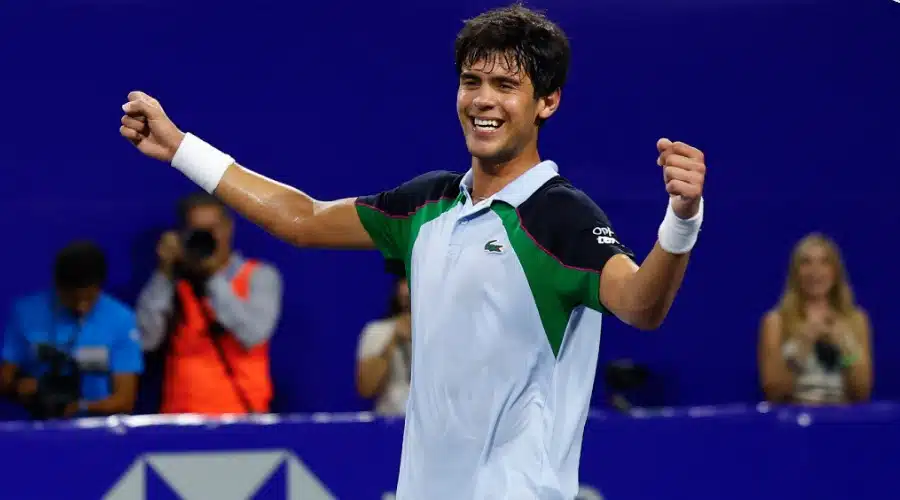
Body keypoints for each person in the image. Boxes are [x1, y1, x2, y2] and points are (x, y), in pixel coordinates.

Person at [118, 5, 706, 498]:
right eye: (472, 82)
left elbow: (641, 306)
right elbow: (301, 219)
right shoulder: (426, 205)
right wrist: (180, 149)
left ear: (547, 102)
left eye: (506, 86)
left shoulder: (562, 217)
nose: (483, 101)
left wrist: (681, 222)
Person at [135, 193, 282, 415]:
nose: (209, 238)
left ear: (229, 228)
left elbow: (253, 334)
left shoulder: (259, 276)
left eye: (214, 229)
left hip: (241, 416)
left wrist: (213, 275)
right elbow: (145, 339)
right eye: (199, 231)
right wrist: (164, 272)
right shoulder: (173, 281)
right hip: (181, 417)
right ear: (184, 234)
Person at [0, 241, 142, 419]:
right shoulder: (25, 312)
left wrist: (81, 406)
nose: (81, 307)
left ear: (100, 287)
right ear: (58, 287)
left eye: (89, 299)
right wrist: (19, 387)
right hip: (39, 428)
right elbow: (4, 380)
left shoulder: (121, 319)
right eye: (73, 299)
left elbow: (125, 400)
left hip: (98, 430)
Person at [758, 233, 872, 405]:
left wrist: (846, 348)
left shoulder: (856, 320)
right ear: (795, 273)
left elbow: (863, 391)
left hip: (842, 420)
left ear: (835, 271)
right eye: (806, 263)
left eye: (824, 262)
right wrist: (802, 346)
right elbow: (773, 392)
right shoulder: (776, 322)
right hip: (794, 419)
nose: (815, 271)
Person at [356, 276, 412, 416]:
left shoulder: (441, 333)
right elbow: (366, 388)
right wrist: (393, 340)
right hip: (389, 421)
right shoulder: (377, 331)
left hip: (432, 426)